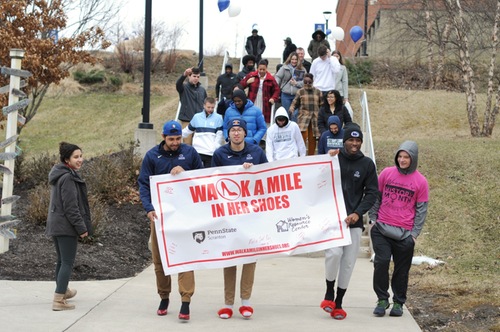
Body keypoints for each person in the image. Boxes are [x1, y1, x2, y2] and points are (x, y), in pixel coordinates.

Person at [138, 120, 203, 321]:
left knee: (184, 258)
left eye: (178, 138)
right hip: (160, 218)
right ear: (164, 137)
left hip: (185, 216)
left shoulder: (190, 153)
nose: (175, 142)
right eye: (171, 139)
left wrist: (185, 173)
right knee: (160, 261)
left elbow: (201, 179)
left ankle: (186, 301)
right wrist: (148, 209)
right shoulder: (152, 156)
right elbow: (143, 184)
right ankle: (164, 297)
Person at [211, 118, 268, 319]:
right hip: (229, 215)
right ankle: (228, 303)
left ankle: (246, 301)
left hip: (252, 214)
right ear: (228, 134)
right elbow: (212, 182)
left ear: (245, 133)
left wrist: (253, 173)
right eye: (233, 130)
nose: (236, 133)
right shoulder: (219, 154)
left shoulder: (256, 153)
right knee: (229, 259)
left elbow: (269, 178)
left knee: (250, 258)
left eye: (239, 130)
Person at [320, 124, 378, 320]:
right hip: (334, 219)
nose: (354, 144)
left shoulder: (367, 164)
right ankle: (329, 293)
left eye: (358, 140)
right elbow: (317, 179)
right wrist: (327, 158)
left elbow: (371, 193)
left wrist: (358, 213)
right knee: (333, 254)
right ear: (344, 141)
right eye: (351, 140)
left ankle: (339, 303)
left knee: (348, 263)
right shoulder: (333, 158)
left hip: (353, 221)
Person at [369, 141, 429, 317]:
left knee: (402, 270)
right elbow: (375, 196)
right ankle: (381, 299)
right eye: (400, 156)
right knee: (381, 262)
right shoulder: (387, 173)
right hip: (382, 228)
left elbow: (421, 210)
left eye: (406, 157)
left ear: (413, 159)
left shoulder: (421, 181)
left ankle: (398, 302)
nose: (402, 160)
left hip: (405, 234)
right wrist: (373, 219)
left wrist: (414, 234)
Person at [46, 142, 91, 311]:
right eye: (76, 157)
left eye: (81, 156)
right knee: (67, 262)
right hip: (65, 226)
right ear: (67, 159)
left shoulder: (61, 174)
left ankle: (63, 290)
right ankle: (58, 300)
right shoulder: (68, 178)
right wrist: (81, 228)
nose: (80, 160)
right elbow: (71, 208)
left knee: (61, 261)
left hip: (56, 224)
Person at [182, 97, 224, 167]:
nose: (210, 109)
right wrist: (175, 134)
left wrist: (215, 149)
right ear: (204, 105)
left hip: (211, 153)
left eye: (212, 107)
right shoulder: (196, 117)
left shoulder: (219, 118)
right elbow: (187, 131)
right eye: (208, 107)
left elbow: (219, 136)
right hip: (198, 151)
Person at [289, 73, 323, 155]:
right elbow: (294, 102)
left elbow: (322, 105)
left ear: (312, 81)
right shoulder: (300, 91)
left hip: (315, 117)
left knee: (313, 138)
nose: (307, 84)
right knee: (302, 136)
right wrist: (292, 108)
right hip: (303, 117)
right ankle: (301, 155)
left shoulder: (318, 92)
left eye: (309, 82)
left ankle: (311, 156)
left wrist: (322, 115)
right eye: (305, 82)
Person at [238, 59, 280, 124]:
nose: (262, 71)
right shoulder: (251, 75)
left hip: (265, 103)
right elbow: (240, 86)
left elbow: (277, 90)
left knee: (263, 121)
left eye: (264, 69)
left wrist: (273, 98)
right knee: (251, 119)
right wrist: (247, 82)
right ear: (257, 68)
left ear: (266, 69)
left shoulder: (271, 79)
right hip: (253, 101)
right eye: (260, 69)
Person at [176, 67, 207, 145]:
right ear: (189, 76)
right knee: (187, 145)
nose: (196, 78)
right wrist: (184, 75)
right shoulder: (184, 88)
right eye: (194, 76)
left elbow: (205, 104)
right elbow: (178, 84)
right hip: (187, 120)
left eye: (198, 77)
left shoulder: (202, 90)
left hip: (199, 122)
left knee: (199, 146)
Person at [275, 52, 305, 120]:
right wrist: (277, 84)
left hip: (297, 95)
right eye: (292, 59)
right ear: (290, 59)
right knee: (286, 114)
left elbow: (305, 82)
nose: (294, 61)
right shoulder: (284, 68)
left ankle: (293, 129)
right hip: (286, 94)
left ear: (298, 60)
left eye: (295, 59)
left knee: (295, 114)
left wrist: (296, 83)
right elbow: (278, 77)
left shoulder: (302, 69)